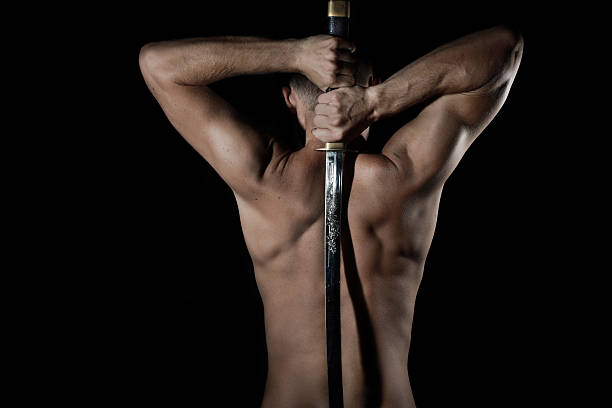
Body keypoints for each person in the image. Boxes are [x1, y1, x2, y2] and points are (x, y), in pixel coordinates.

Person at [139, 25, 523, 408]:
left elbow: (158, 65)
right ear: (371, 81)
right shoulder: (407, 174)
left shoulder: (263, 177)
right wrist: (376, 100)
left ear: (289, 98)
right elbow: (505, 50)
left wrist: (292, 55)